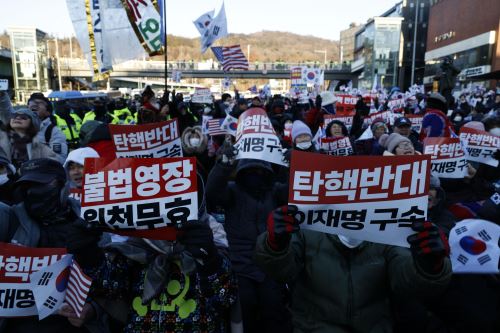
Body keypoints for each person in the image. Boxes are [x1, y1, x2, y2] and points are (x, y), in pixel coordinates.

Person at [254, 205, 452, 333]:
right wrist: (275, 245)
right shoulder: (307, 231)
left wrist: (430, 265)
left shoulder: (387, 236)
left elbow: (409, 283)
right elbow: (280, 271)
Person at [91, 174, 238, 332]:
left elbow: (226, 298)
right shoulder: (135, 244)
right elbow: (108, 288)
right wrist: (88, 254)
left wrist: (210, 259)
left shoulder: (213, 240)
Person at [0, 158, 106, 332]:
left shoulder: (92, 222)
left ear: (64, 185)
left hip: (74, 326)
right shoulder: (9, 219)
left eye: (42, 184)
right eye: (27, 186)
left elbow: (113, 285)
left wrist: (93, 310)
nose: (33, 192)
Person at [206, 144, 292, 333]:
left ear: (268, 171)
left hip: (270, 265)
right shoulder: (232, 191)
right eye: (251, 170)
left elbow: (293, 194)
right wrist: (224, 164)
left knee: (274, 313)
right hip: (240, 266)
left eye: (260, 170)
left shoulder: (275, 191)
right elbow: (211, 192)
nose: (256, 174)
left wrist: (293, 167)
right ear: (242, 171)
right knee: (245, 313)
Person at [24, 92, 68, 162]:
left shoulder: (54, 132)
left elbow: (59, 159)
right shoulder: (18, 126)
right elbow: (6, 113)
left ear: (48, 112)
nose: (34, 104)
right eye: (31, 103)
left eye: (40, 103)